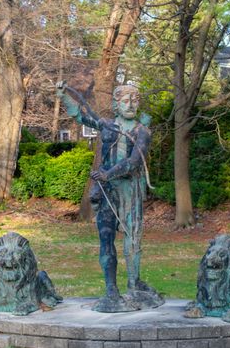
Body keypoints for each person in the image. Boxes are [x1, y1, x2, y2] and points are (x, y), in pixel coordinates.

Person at [56, 82, 163, 312]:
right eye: (126, 101)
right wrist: (64, 95)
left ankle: (134, 284)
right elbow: (81, 117)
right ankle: (111, 290)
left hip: (129, 189)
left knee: (133, 239)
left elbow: (133, 162)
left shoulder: (141, 132)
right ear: (116, 105)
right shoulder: (107, 125)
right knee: (106, 238)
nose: (131, 105)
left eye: (134, 100)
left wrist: (106, 174)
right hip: (106, 191)